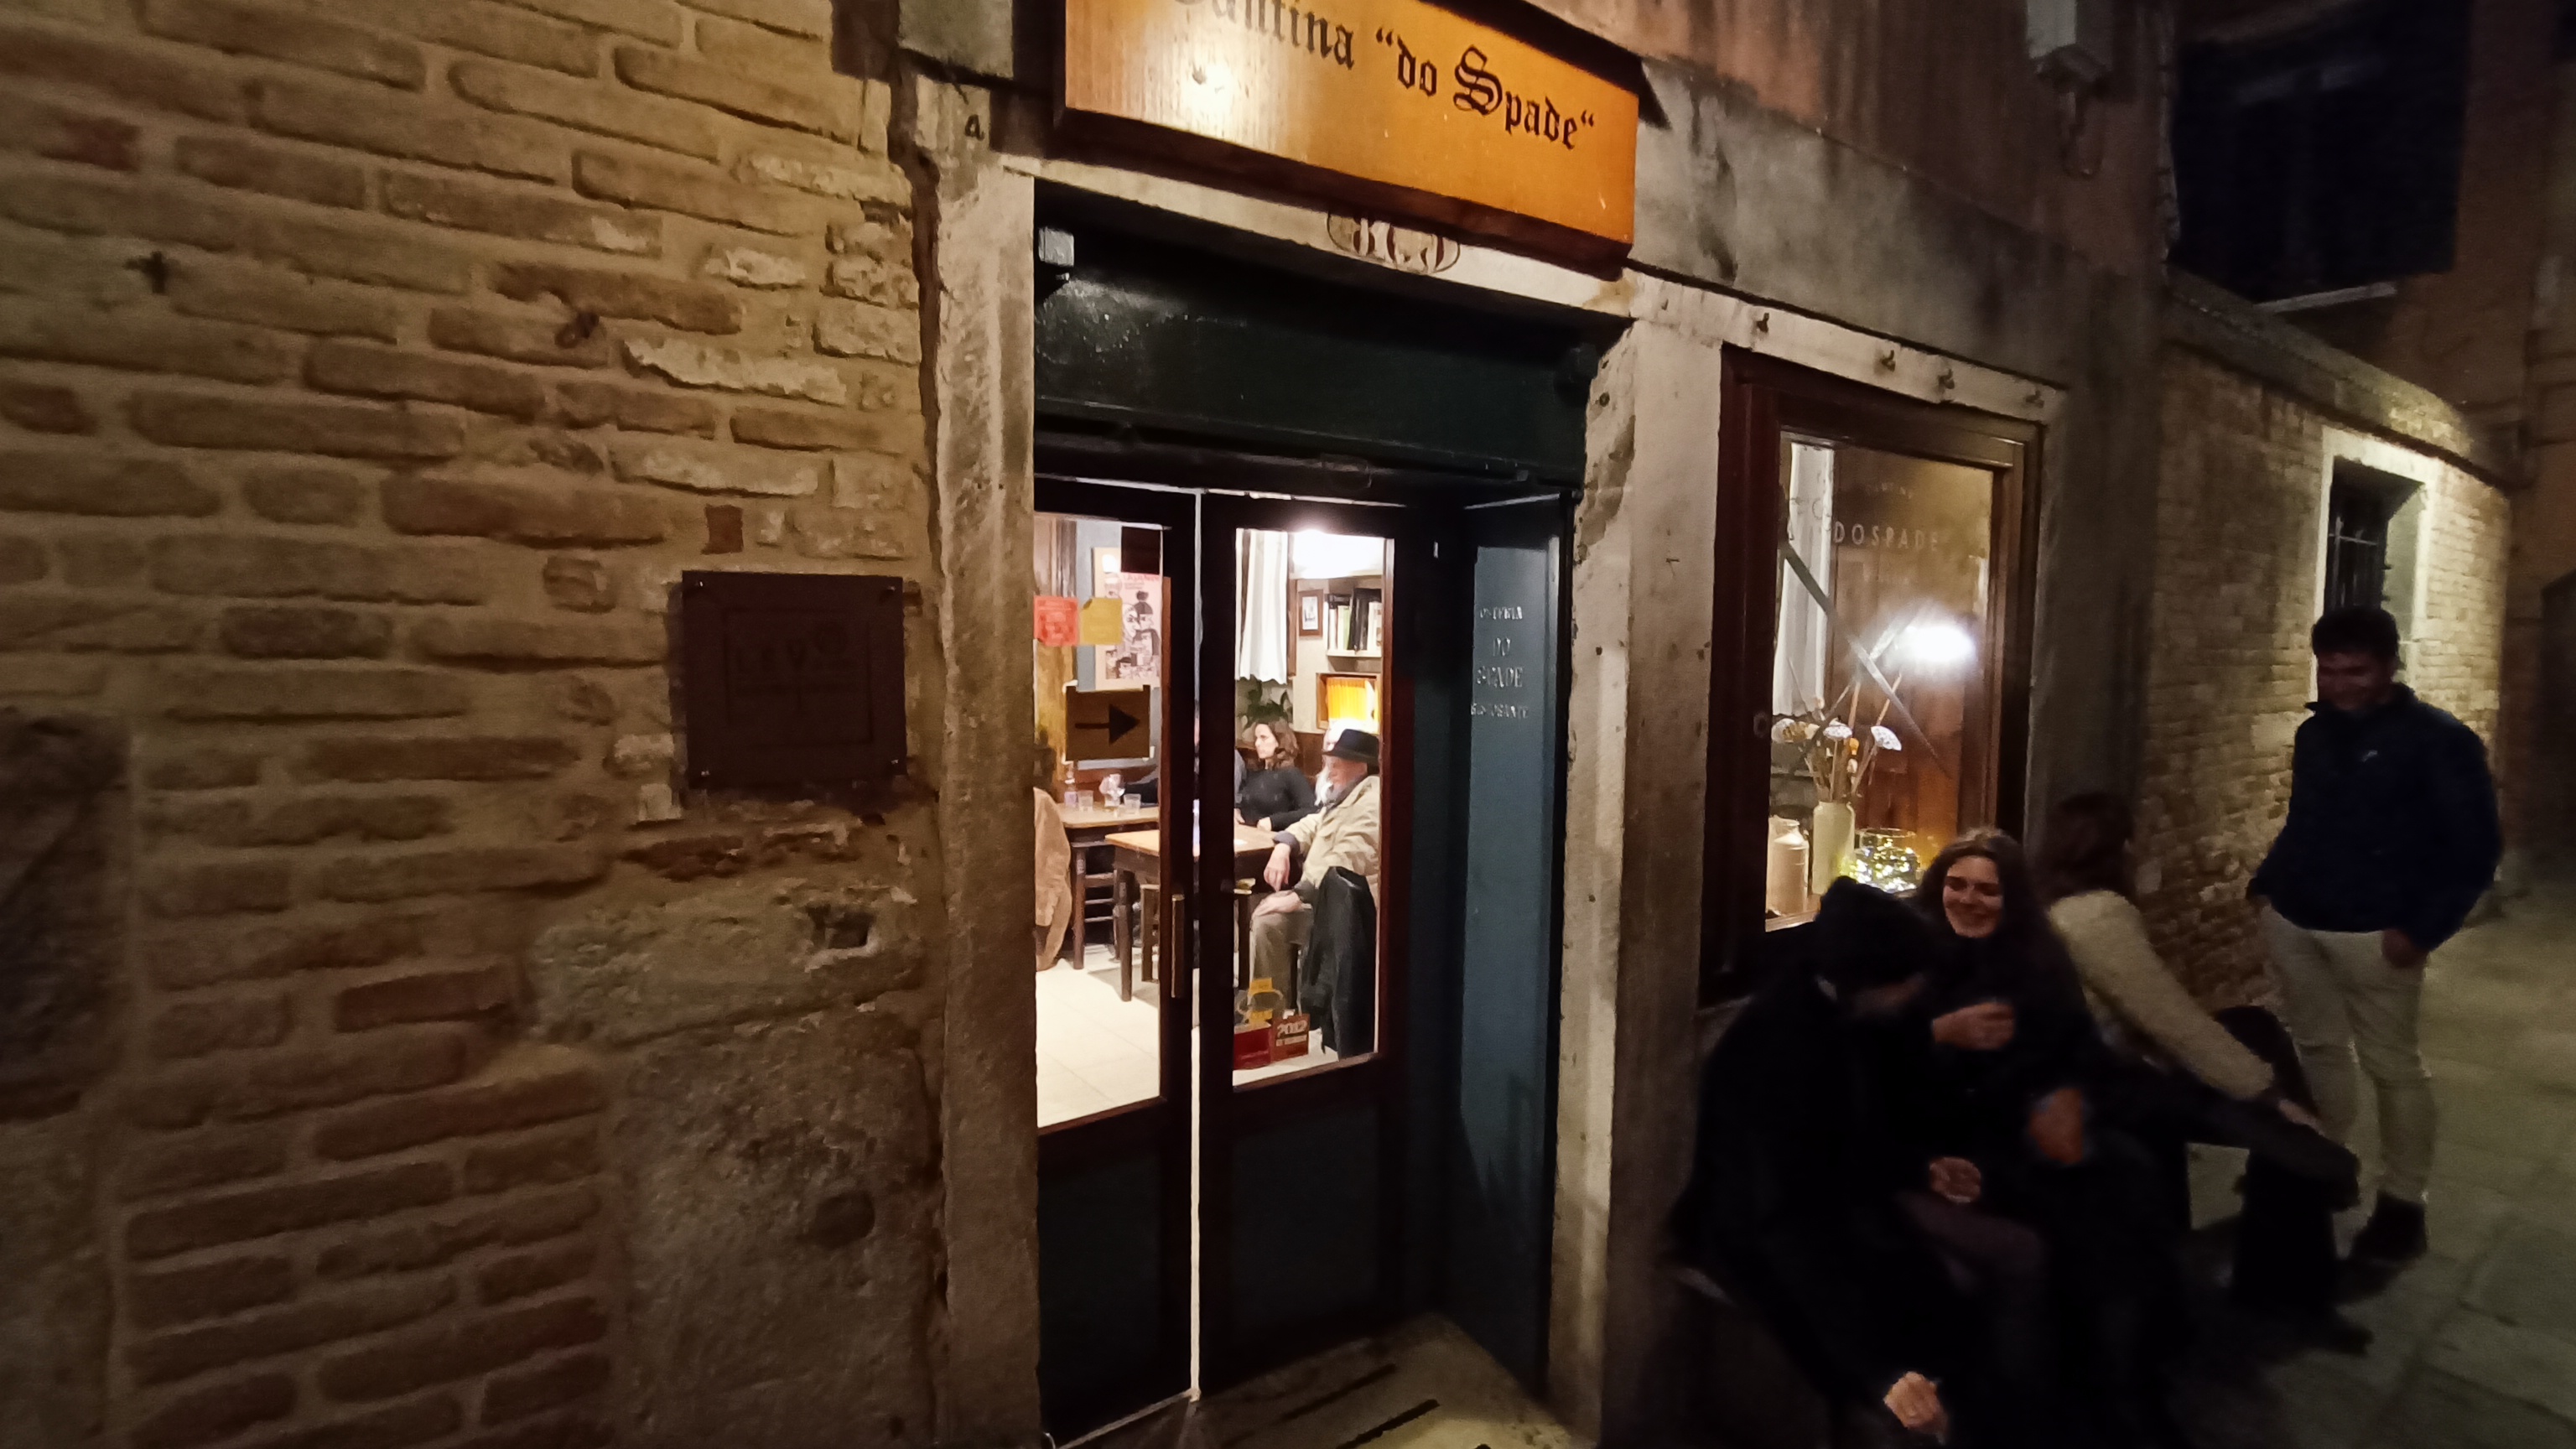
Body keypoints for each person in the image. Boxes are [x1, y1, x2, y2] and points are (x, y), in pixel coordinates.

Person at [2036, 792, 2365, 1348]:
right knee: (2273, 1105)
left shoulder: (2056, 902)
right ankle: (2296, 1263)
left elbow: (2146, 1016)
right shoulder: (2095, 915)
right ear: (2119, 847)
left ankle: (2302, 1167)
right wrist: (2268, 1093)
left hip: (2111, 1063)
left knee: (2255, 1027)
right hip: (2104, 1084)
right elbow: (2172, 1021)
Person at [1904, 832, 2189, 1449]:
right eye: (1957, 885)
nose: (1969, 900)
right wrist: (1940, 1033)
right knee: (2084, 1214)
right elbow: (1877, 1067)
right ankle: (2098, 1400)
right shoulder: (1912, 960)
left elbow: (2081, 1052)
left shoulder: (2036, 960)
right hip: (1955, 1144)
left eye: (1988, 890)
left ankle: (2129, 1387)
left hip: (2033, 1126)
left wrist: (2070, 1098)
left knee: (2133, 1178)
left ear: (2012, 899)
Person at [1673, 880, 1976, 1446]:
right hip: (1754, 1229)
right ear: (1870, 979)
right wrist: (1880, 1369)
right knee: (1897, 1338)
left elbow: (1851, 1136)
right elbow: (1785, 1216)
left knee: (1938, 1301)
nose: (1917, 993)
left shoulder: (1840, 1012)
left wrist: (1917, 1169)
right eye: (1908, 982)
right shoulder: (1780, 1048)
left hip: (1818, 1205)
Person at [2247, 605, 2501, 1266]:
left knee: (2393, 1066)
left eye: (2355, 671)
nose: (2339, 685)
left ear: (2389, 667)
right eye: (2328, 670)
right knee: (2317, 1049)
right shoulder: (2315, 733)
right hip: (2296, 917)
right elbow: (2304, 821)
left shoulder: (2439, 741)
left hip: (2377, 930)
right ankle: (2325, 1165)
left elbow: (2475, 848)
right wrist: (2268, 886)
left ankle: (2403, 1204)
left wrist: (2423, 928)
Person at [1249, 729, 1379, 998]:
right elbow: (1314, 822)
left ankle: (1271, 1009)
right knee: (1266, 913)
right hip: (1325, 901)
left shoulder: (1371, 802)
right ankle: (1273, 1010)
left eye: (1337, 764)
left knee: (1269, 921)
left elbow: (1346, 860)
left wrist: (1299, 895)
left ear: (1361, 766)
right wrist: (1284, 844)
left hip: (1348, 914)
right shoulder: (1349, 795)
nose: (1330, 772)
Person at [1237, 720, 1317, 831]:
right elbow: (1245, 800)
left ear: (1279, 742)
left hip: (1275, 836)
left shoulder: (1291, 774)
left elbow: (1310, 810)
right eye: (1256, 738)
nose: (1257, 743)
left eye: (1263, 738)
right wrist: (1236, 810)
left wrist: (1273, 821)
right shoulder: (1253, 771)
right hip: (1248, 833)